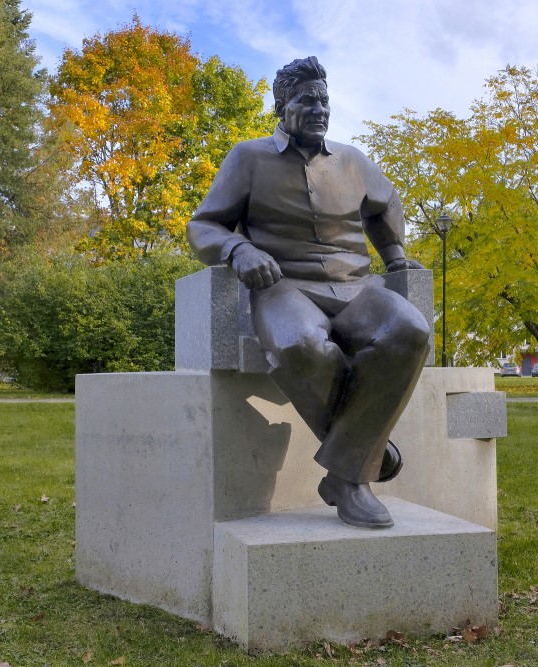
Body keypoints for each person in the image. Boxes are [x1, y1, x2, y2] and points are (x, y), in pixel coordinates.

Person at [187, 56, 430, 528]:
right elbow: (203, 225)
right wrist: (238, 249)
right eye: (306, 100)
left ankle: (345, 471)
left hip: (357, 286)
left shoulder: (353, 161)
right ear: (282, 106)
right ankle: (360, 468)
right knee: (299, 345)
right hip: (284, 286)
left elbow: (386, 204)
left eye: (324, 100)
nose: (319, 109)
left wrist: (395, 253)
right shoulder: (248, 157)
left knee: (410, 329)